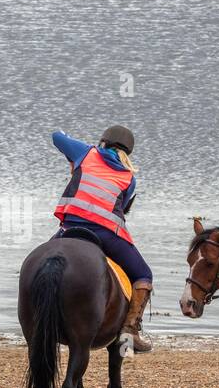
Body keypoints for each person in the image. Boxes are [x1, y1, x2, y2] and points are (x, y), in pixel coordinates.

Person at [51, 125, 153, 352]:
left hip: (70, 228)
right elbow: (122, 208)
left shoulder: (85, 152)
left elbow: (56, 136)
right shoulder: (129, 177)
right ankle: (130, 330)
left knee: (43, 261)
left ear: (103, 142)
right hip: (107, 234)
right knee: (143, 275)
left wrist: (72, 153)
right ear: (127, 152)